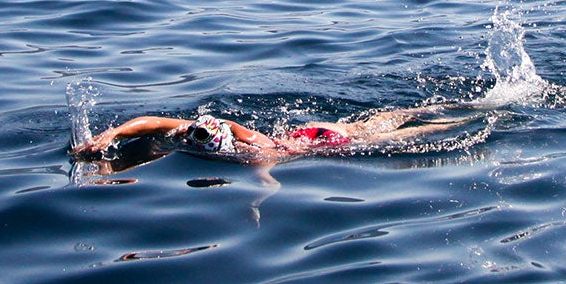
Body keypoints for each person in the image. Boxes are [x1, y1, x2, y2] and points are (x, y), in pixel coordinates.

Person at [73, 103, 487, 166]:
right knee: (394, 118)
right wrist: (112, 132)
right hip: (316, 132)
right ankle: (477, 105)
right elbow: (149, 121)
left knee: (394, 137)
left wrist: (256, 206)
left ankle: (478, 117)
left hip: (328, 142)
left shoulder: (255, 156)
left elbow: (265, 180)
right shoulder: (232, 131)